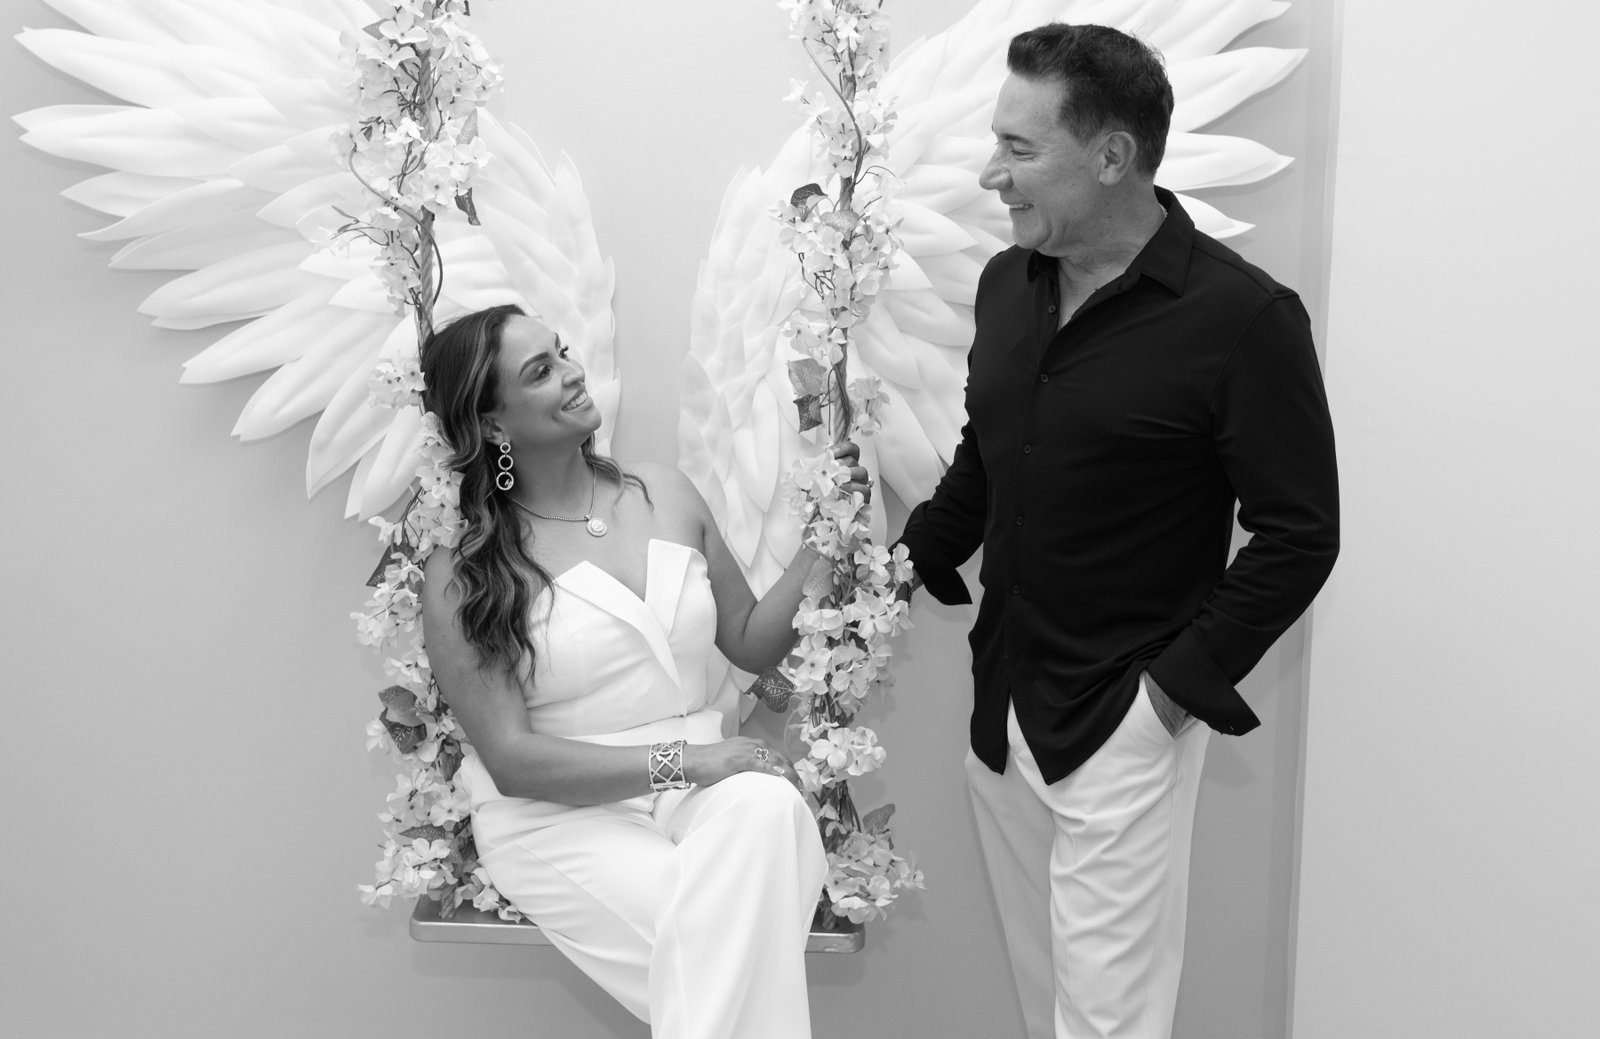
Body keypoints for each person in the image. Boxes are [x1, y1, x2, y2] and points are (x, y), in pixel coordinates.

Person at [895, 23, 1339, 1039]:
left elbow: (1299, 533)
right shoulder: (1005, 284)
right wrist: (882, 579)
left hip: (1122, 721)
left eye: (1018, 148)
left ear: (1111, 156)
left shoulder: (1243, 318)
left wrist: (1166, 701)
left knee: (1108, 1024)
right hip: (1002, 709)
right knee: (1044, 999)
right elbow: (987, 462)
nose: (990, 173)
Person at [418, 303, 867, 1039]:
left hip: (700, 787)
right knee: (725, 941)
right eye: (540, 371)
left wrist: (827, 533)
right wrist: (688, 760)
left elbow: (750, 643)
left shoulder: (664, 492)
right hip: (557, 814)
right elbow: (513, 761)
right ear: (493, 424)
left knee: (769, 809)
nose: (572, 373)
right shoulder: (467, 567)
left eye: (563, 352)